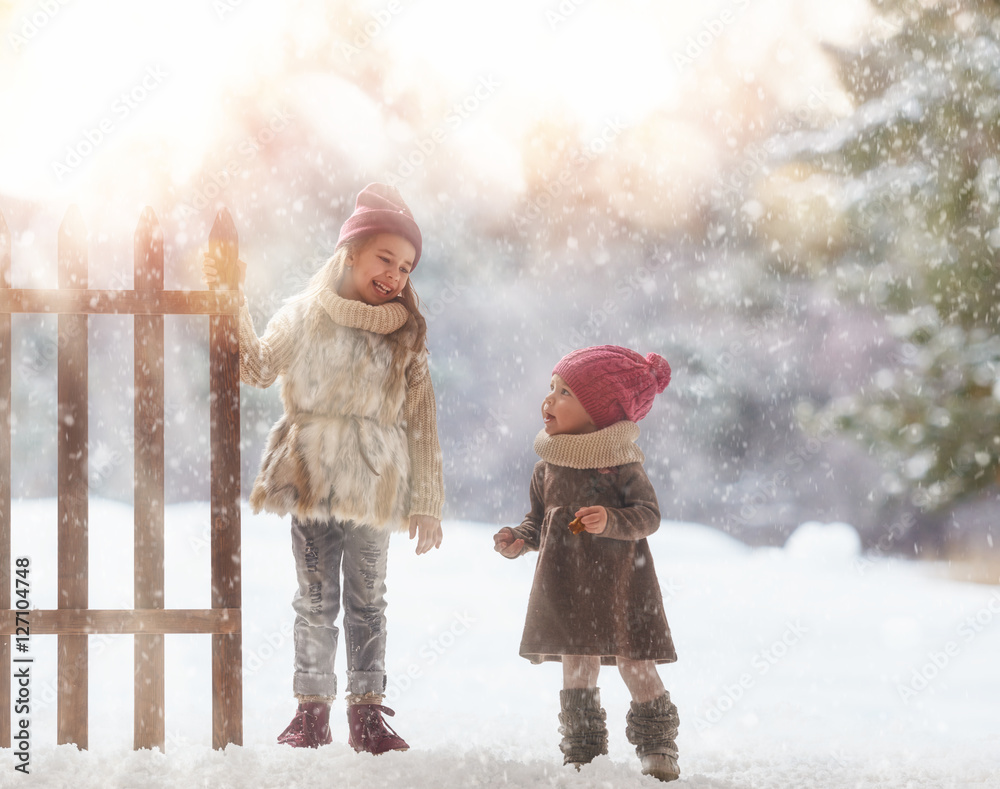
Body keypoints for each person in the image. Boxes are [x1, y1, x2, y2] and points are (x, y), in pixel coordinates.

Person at [203, 183, 444, 754]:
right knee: (314, 598)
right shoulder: (304, 317)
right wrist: (231, 298)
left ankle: (367, 712)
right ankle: (311, 711)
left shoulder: (405, 339)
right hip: (310, 478)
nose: (394, 275)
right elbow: (258, 367)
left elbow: (422, 424)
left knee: (369, 598)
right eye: (385, 258)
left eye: (406, 267)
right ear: (352, 253)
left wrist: (427, 501)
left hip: (376, 483)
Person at [493, 345, 680, 782]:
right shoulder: (547, 468)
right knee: (578, 663)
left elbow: (648, 517)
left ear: (601, 413)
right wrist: (519, 540)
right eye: (551, 388)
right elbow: (538, 521)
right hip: (568, 584)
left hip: (621, 584)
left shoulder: (621, 467)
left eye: (564, 393)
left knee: (636, 663)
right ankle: (583, 753)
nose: (549, 400)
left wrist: (611, 519)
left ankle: (657, 746)